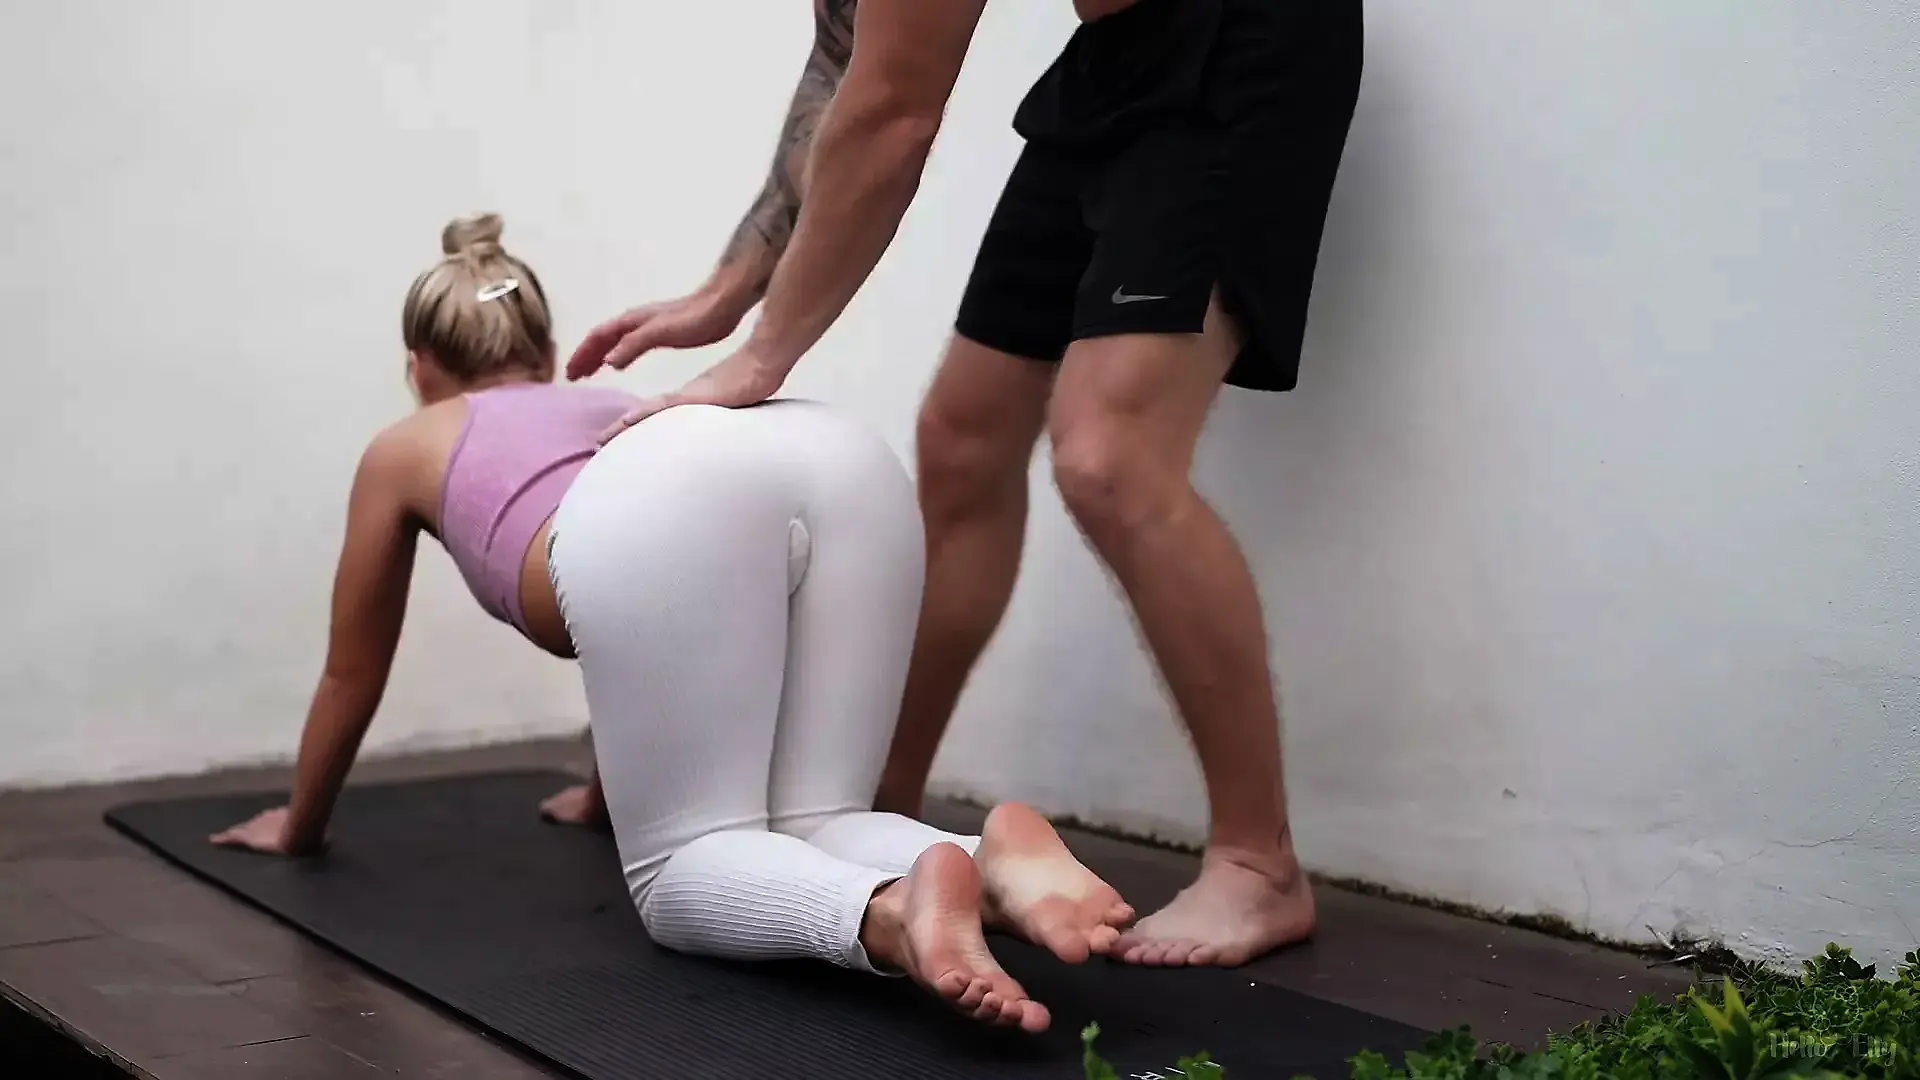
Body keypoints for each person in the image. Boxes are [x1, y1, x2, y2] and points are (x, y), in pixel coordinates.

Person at [564, 0, 1364, 969]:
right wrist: (728, 292)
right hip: (1112, 59)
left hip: (1237, 42)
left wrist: (763, 353)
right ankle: (873, 802)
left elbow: (895, 111)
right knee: (961, 439)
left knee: (1108, 458)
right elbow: (845, 63)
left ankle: (1258, 862)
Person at [209, 213, 1136, 1033]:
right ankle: (987, 865)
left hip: (679, 501)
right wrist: (602, 791)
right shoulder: (609, 403)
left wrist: (299, 827)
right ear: (545, 351)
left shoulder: (404, 446)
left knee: (683, 868)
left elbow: (354, 670)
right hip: (835, 454)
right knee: (818, 818)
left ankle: (892, 915)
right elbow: (659, 627)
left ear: (418, 366)